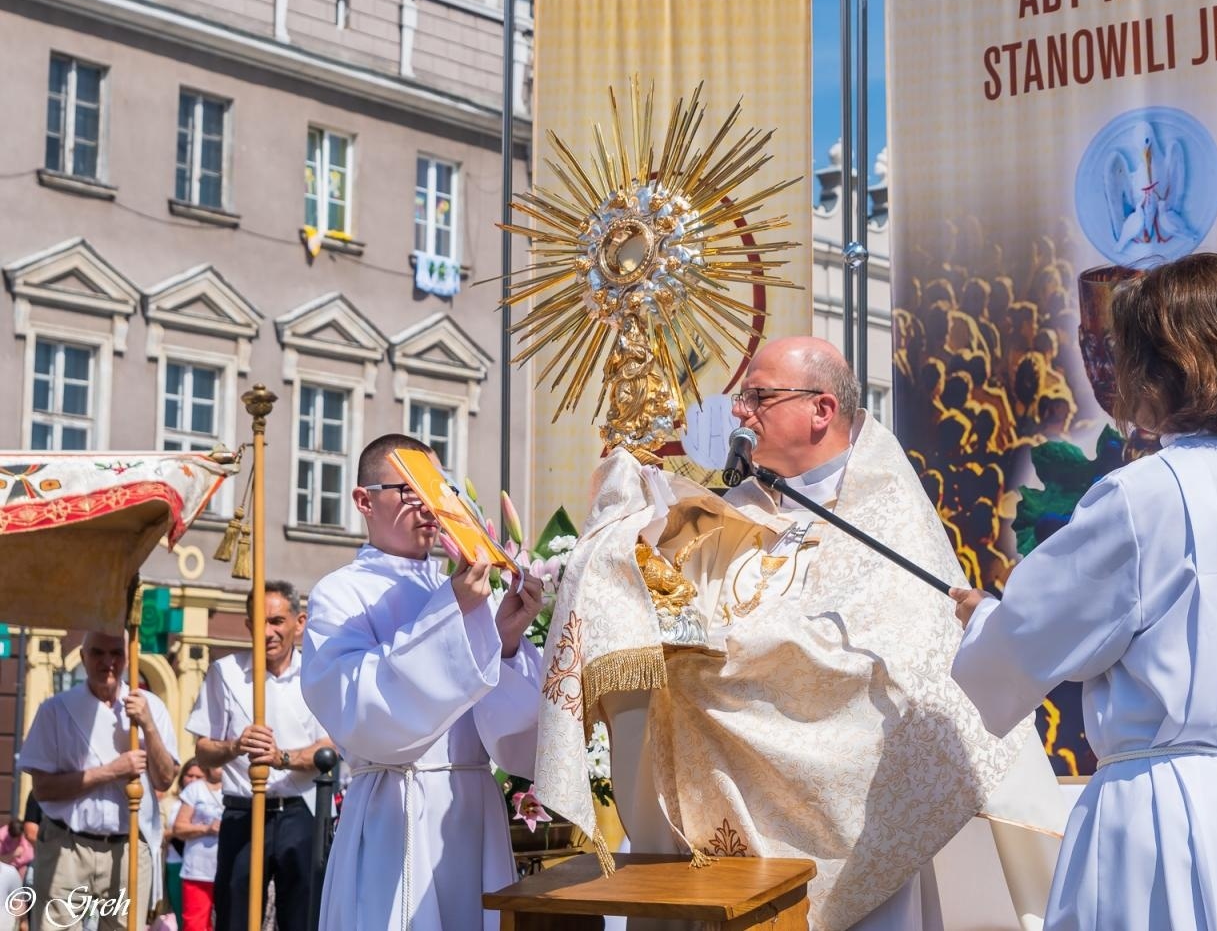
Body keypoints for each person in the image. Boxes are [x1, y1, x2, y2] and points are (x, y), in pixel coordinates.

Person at [549, 336, 1063, 931]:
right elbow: (666, 612)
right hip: (724, 818)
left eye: (759, 397)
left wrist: (727, 660)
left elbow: (876, 667)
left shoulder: (887, 512)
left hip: (856, 820)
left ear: (822, 410)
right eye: (742, 398)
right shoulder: (731, 512)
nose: (741, 412)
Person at [949, 252, 1217, 930]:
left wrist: (981, 617)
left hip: (1157, 818)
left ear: (1162, 368)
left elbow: (1031, 640)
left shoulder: (1141, 498)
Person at [300, 434, 545, 931]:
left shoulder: (462, 585)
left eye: (437, 489)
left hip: (472, 811)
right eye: (409, 490)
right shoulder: (340, 596)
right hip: (397, 813)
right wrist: (452, 611)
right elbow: (366, 714)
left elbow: (514, 743)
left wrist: (506, 641)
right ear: (364, 501)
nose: (429, 505)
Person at [187, 581, 333, 931]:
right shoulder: (226, 673)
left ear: (299, 623)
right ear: (248, 624)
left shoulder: (317, 674)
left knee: (302, 916)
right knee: (235, 913)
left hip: (300, 809)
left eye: (277, 622)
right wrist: (234, 747)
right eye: (259, 621)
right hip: (242, 809)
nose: (267, 632)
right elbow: (203, 751)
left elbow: (330, 749)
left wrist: (281, 757)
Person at [18, 631, 179, 931]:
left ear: (128, 657)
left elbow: (165, 779)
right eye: (98, 653)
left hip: (129, 845)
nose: (108, 662)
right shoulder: (55, 710)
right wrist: (111, 771)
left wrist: (148, 726)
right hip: (67, 847)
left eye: (116, 653)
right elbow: (43, 789)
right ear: (83, 656)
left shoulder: (151, 707)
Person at [171, 761, 224, 931]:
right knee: (195, 926)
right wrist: (206, 829)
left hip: (229, 871)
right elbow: (178, 828)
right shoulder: (195, 789)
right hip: (198, 872)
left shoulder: (240, 787)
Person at [159, 761, 203, 927]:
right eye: (189, 775)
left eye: (198, 777)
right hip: (175, 863)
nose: (193, 780)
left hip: (202, 866)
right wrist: (181, 830)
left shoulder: (211, 798)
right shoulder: (169, 803)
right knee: (181, 915)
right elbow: (158, 833)